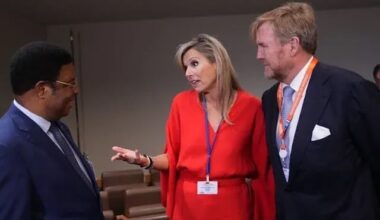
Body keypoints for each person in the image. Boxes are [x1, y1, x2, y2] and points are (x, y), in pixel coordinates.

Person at [111, 34, 275, 220]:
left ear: (217, 63)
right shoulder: (181, 103)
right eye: (185, 67)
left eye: (194, 64)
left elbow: (263, 167)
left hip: (234, 204)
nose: (188, 73)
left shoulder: (251, 106)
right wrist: (143, 160)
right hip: (189, 203)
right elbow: (173, 158)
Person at [250, 2, 380, 220]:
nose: (258, 55)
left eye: (263, 46)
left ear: (292, 45)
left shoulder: (349, 89)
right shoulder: (270, 99)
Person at [0, 42, 104, 219]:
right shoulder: (7, 145)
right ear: (42, 90)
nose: (76, 90)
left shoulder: (59, 128)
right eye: (69, 84)